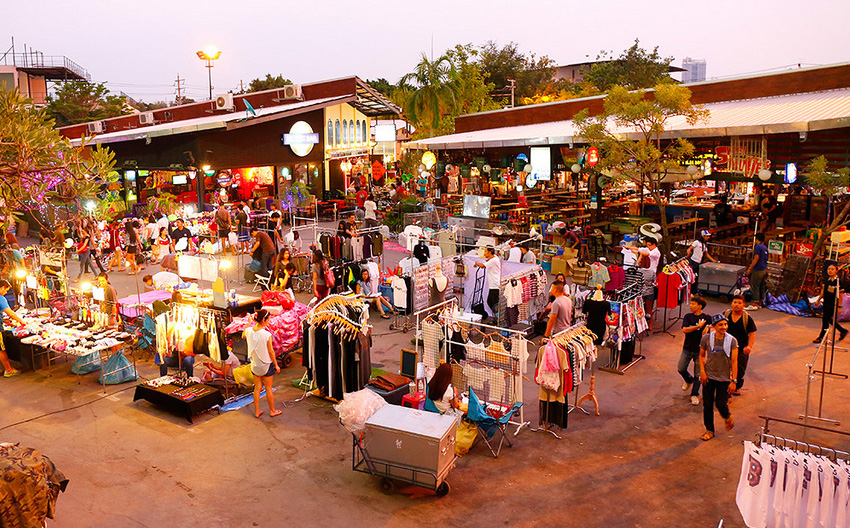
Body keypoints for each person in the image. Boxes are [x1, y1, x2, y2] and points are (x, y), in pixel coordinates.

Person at [698, 313, 737, 441]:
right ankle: (709, 430)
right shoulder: (706, 339)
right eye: (720, 325)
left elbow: (734, 362)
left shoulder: (732, 340)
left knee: (721, 404)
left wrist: (733, 381)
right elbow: (702, 356)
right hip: (709, 377)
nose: (724, 327)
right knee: (707, 405)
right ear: (714, 326)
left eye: (725, 324)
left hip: (724, 378)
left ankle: (727, 416)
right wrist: (702, 372)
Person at [246, 309, 282, 418]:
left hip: (255, 365)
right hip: (266, 364)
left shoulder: (248, 331)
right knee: (268, 389)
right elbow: (271, 352)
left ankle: (257, 411)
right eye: (268, 319)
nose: (268, 321)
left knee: (257, 388)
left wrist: (249, 323)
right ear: (263, 319)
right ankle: (272, 410)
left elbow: (244, 334)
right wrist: (276, 365)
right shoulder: (266, 335)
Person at [679, 296, 711, 406]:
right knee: (681, 368)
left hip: (700, 350)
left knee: (698, 373)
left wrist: (706, 328)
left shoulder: (707, 317)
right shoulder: (688, 317)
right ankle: (688, 380)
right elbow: (685, 330)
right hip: (687, 348)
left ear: (699, 306)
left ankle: (694, 394)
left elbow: (709, 331)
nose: (690, 306)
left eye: (693, 304)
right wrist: (698, 326)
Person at [724, 295, 757, 394]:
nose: (736, 305)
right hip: (726, 346)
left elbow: (752, 333)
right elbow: (716, 325)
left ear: (743, 305)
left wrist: (749, 346)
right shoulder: (726, 315)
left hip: (741, 348)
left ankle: (737, 386)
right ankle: (725, 386)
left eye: (739, 303)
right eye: (735, 302)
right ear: (731, 303)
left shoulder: (747, 318)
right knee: (725, 367)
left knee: (740, 369)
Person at [813, 262, 848, 344]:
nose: (830, 271)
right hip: (826, 303)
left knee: (825, 320)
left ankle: (822, 337)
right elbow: (823, 291)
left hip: (833, 304)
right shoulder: (826, 280)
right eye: (829, 269)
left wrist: (839, 307)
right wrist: (818, 300)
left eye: (832, 269)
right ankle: (843, 331)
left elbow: (840, 295)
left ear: (836, 271)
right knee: (829, 320)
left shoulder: (839, 282)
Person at [0, 279, 24, 377]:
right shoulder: (1, 298)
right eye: (5, 290)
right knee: (1, 349)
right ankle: (9, 370)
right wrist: (22, 321)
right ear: (1, 288)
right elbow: (10, 313)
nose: (5, 293)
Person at [474, 246, 501, 324]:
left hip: (494, 285)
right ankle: (497, 318)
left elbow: (482, 266)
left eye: (485, 251)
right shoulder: (495, 258)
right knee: (491, 301)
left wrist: (476, 263)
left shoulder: (493, 261)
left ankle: (498, 319)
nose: (484, 253)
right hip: (493, 284)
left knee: (493, 303)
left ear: (489, 252)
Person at [744, 232, 769, 310]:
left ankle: (754, 303)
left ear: (757, 239)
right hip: (764, 269)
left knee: (755, 286)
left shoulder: (758, 247)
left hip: (758, 269)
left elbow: (756, 258)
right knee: (761, 286)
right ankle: (760, 302)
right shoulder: (765, 247)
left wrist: (750, 268)